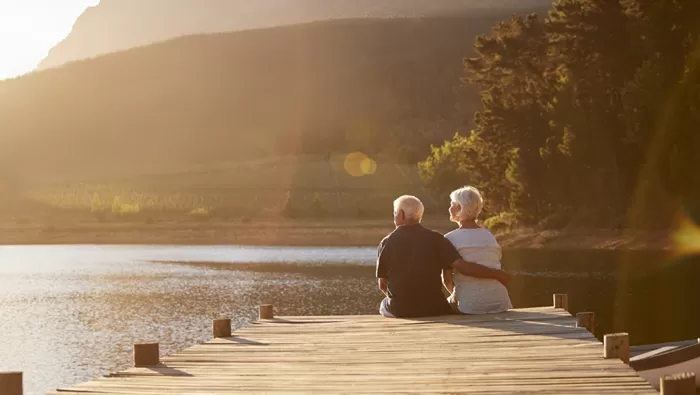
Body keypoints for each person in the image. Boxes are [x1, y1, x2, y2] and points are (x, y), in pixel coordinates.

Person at [376, 195, 510, 318]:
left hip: (400, 310)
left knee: (383, 305)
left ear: (401, 214)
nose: (394, 216)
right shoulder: (437, 239)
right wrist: (496, 274)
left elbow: (382, 285)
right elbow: (462, 267)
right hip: (435, 308)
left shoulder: (386, 242)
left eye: (394, 213)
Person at [442, 186, 513, 314]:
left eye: (452, 204)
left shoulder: (449, 238)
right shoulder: (489, 236)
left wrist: (460, 294)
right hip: (501, 301)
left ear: (459, 208)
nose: (449, 208)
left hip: (470, 306)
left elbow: (446, 279)